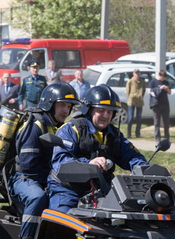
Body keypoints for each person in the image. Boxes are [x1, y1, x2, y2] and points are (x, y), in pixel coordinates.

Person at [10, 81, 80, 239]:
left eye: (68, 106)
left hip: (46, 178)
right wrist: (51, 179)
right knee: (37, 197)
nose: (66, 110)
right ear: (49, 103)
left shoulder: (60, 127)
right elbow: (28, 164)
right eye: (62, 105)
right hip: (23, 178)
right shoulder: (36, 124)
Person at [47, 85, 148, 213]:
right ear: (89, 110)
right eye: (101, 110)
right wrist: (89, 164)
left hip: (101, 189)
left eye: (110, 112)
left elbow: (133, 157)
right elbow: (61, 162)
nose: (106, 115)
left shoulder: (115, 135)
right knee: (63, 221)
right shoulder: (71, 129)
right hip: (67, 188)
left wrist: (146, 170)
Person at [147, 70, 171, 142]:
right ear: (160, 76)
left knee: (166, 122)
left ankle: (167, 137)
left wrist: (166, 88)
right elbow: (149, 91)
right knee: (156, 122)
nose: (163, 79)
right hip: (156, 104)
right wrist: (158, 89)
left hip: (165, 104)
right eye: (163, 78)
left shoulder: (166, 82)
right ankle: (157, 138)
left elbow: (169, 92)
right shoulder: (153, 82)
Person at [125, 69, 146, 138]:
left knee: (139, 118)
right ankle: (129, 134)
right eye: (136, 73)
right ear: (133, 73)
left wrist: (140, 96)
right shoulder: (130, 81)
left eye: (138, 73)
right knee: (130, 118)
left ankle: (138, 134)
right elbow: (127, 91)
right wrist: (131, 97)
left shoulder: (142, 81)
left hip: (139, 101)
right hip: (132, 101)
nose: (137, 74)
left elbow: (144, 90)